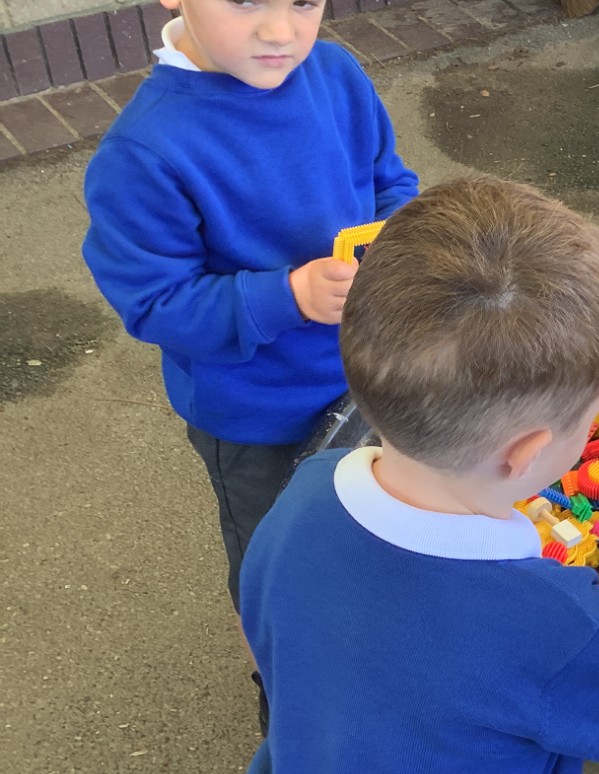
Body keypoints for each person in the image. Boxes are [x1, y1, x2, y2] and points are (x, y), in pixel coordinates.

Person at [239, 176, 599, 772]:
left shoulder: (306, 490)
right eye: (597, 410)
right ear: (526, 455)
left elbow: (263, 637)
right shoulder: (553, 623)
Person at [81, 0, 417, 728]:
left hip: (372, 374)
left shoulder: (334, 71)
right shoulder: (144, 151)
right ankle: (289, 697)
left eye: (304, 2)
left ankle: (371, 647)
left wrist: (397, 235)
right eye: (245, 1)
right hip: (257, 418)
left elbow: (389, 181)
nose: (280, 30)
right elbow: (155, 303)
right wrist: (288, 295)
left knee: (375, 526)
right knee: (277, 564)